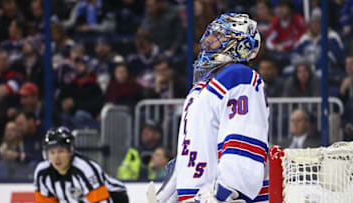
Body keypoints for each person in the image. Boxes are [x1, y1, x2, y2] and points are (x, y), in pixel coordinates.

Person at [155, 13, 269, 203]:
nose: (206, 41)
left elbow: (242, 138)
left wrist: (226, 191)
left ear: (239, 44)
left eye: (217, 36)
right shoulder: (203, 85)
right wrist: (178, 178)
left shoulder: (239, 76)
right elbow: (198, 142)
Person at [34, 126, 128, 203]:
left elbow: (102, 201)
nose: (56, 157)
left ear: (71, 151)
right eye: (52, 152)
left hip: (115, 198)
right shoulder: (43, 173)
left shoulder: (84, 169)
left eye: (61, 151)